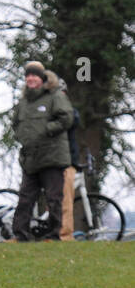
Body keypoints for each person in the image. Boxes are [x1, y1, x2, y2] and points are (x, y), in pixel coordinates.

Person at [11, 60, 74, 242]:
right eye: (28, 75)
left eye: (34, 75)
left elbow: (67, 118)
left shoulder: (55, 96)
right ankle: (20, 235)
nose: (30, 78)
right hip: (30, 158)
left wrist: (46, 129)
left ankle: (54, 235)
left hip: (52, 157)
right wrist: (22, 138)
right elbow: (16, 124)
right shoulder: (23, 102)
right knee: (25, 199)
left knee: (54, 198)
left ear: (42, 78)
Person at [57, 77, 83, 242]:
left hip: (66, 162)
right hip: (51, 162)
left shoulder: (70, 113)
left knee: (65, 200)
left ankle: (65, 234)